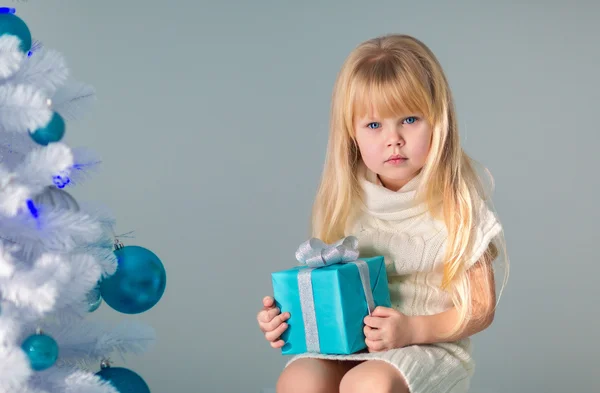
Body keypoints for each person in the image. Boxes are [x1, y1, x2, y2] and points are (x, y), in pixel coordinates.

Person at [257, 33, 508, 393]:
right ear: (352, 135)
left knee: (369, 383)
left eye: (409, 119)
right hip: (356, 344)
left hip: (429, 343)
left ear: (438, 121)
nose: (394, 139)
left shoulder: (457, 204)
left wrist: (412, 329)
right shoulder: (350, 200)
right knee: (298, 380)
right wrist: (290, 318)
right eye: (374, 125)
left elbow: (480, 309)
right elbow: (334, 291)